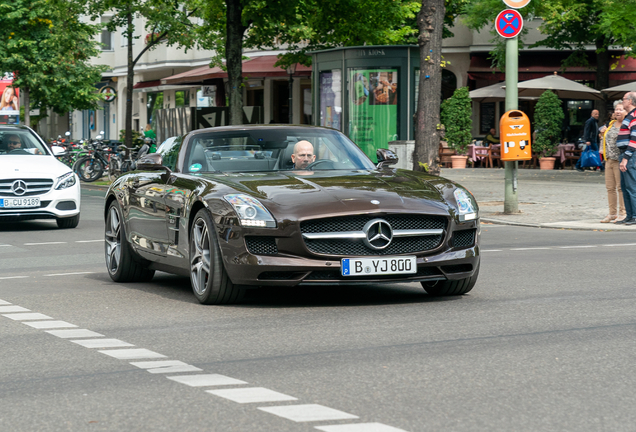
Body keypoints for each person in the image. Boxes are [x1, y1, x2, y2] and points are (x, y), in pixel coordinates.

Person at [600, 103, 626, 223]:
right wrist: (602, 134)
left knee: (621, 188)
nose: (618, 111)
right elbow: (604, 137)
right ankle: (612, 213)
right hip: (609, 159)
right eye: (616, 109)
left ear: (626, 112)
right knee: (610, 188)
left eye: (621, 109)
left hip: (620, 160)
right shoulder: (610, 124)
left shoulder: (627, 125)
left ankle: (623, 212)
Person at [616, 92, 636, 224]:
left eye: (623, 99)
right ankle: (629, 215)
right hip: (625, 154)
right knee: (625, 186)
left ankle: (634, 215)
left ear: (629, 101)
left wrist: (626, 158)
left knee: (631, 186)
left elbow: (634, 139)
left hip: (630, 155)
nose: (622, 101)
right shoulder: (629, 116)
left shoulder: (634, 116)